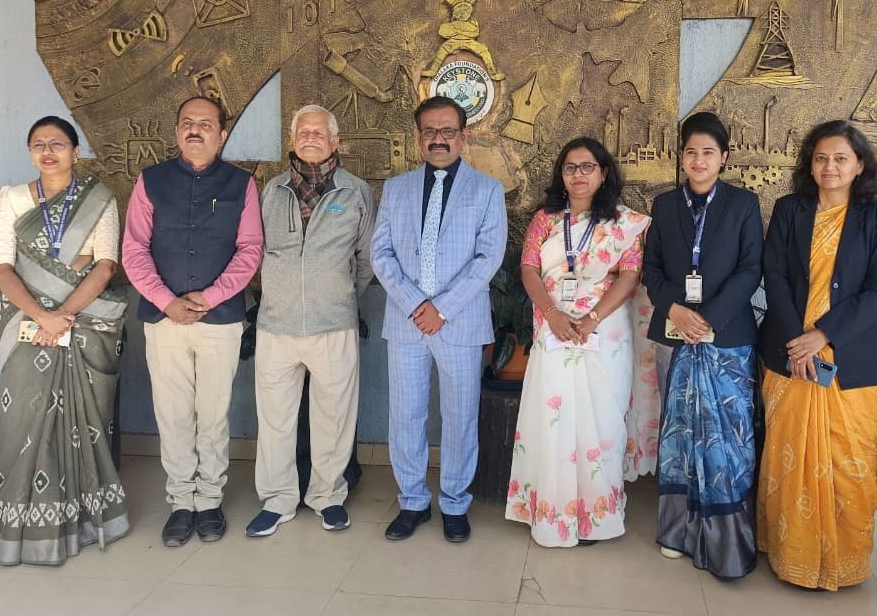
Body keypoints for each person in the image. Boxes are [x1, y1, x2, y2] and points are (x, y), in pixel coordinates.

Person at [757, 120, 877, 590]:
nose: (830, 167)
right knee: (788, 457)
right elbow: (774, 276)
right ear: (810, 164)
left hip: (854, 362)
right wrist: (797, 340)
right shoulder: (789, 210)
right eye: (821, 158)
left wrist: (823, 335)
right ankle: (791, 555)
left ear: (860, 165)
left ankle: (846, 562)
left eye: (841, 158)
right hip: (788, 353)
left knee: (849, 464)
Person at [0, 116, 130, 566]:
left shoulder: (100, 198)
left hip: (82, 322)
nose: (48, 152)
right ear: (31, 151)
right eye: (39, 144)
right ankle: (23, 527)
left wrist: (63, 316)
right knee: (21, 420)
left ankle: (84, 520)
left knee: (85, 421)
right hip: (24, 323)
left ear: (75, 150)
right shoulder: (11, 198)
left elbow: (105, 265)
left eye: (57, 143)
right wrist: (41, 316)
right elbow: (1, 267)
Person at [123, 96, 263, 548]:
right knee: (173, 414)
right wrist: (166, 301)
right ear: (176, 131)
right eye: (187, 122)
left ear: (222, 134)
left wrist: (210, 296)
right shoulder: (151, 181)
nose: (195, 129)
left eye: (205, 123)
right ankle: (181, 502)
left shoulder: (242, 183)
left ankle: (210, 501)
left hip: (219, 319)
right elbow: (133, 249)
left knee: (213, 414)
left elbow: (250, 250)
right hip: (164, 319)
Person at [372, 95, 507, 542]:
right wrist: (416, 304)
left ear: (463, 136)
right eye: (429, 131)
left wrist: (442, 308)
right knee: (405, 416)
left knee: (460, 417)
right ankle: (412, 501)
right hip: (407, 321)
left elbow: (489, 258)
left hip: (459, 323)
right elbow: (381, 253)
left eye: (447, 131)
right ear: (418, 137)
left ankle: (454, 503)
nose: (438, 139)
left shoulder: (487, 190)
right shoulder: (396, 189)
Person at [505, 138, 650, 547]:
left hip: (604, 332)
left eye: (588, 167)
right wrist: (553, 314)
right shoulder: (545, 219)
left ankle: (597, 516)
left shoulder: (623, 223)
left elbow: (630, 275)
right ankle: (554, 514)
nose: (578, 175)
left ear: (603, 173)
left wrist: (591, 319)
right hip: (553, 327)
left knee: (603, 420)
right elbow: (529, 268)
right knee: (553, 417)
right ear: (561, 175)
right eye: (570, 168)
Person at [643, 112, 764, 577]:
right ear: (681, 156)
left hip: (727, 337)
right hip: (675, 333)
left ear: (724, 158)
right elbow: (652, 268)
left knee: (727, 436)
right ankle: (677, 530)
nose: (699, 160)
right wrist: (674, 309)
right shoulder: (664, 205)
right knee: (679, 433)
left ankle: (727, 536)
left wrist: (709, 316)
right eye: (691, 152)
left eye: (708, 153)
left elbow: (750, 269)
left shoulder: (743, 204)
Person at [247, 104, 375, 537]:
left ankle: (328, 496)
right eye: (303, 131)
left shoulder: (356, 192)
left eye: (320, 132)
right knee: (275, 419)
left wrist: (340, 296)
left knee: (333, 417)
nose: (311, 138)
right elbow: (254, 253)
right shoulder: (271, 191)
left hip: (333, 323)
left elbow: (366, 259)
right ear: (292, 138)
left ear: (335, 141)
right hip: (276, 325)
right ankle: (278, 499)